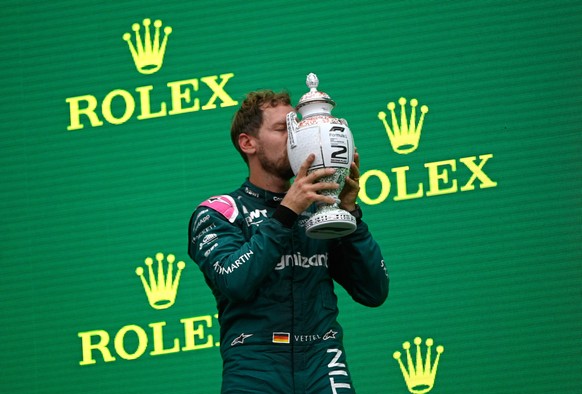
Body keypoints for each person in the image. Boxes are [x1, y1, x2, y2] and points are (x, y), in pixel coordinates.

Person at [188, 89, 389, 394]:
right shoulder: (220, 212)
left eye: (299, 126)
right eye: (283, 129)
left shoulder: (321, 207)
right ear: (248, 143)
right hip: (254, 365)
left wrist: (349, 213)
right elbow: (235, 282)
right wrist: (286, 213)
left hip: (324, 360)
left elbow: (374, 291)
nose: (296, 137)